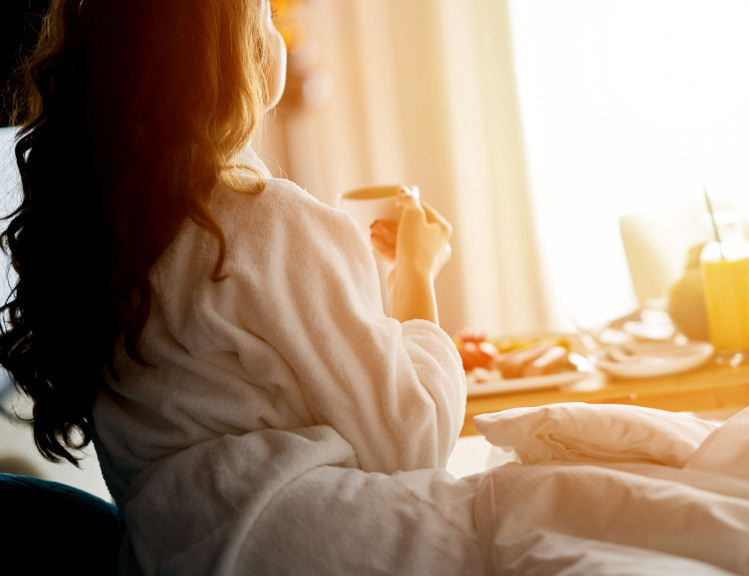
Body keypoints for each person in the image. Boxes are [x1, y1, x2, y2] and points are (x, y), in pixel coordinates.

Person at [0, 1, 473, 572]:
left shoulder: (95, 243)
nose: (282, 35)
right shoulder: (269, 222)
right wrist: (418, 275)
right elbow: (413, 443)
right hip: (318, 547)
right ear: (225, 59)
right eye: (269, 17)